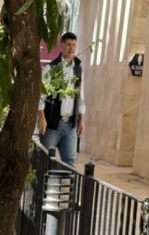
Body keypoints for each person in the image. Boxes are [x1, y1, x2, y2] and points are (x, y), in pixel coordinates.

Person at [37, 32, 86, 168]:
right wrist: (42, 118)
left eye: (74, 45)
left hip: (70, 125)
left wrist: (81, 119)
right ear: (62, 46)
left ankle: (69, 184)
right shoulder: (51, 68)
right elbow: (41, 95)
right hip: (52, 124)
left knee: (70, 163)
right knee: (45, 163)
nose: (71, 48)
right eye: (68, 45)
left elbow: (80, 95)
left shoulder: (78, 69)